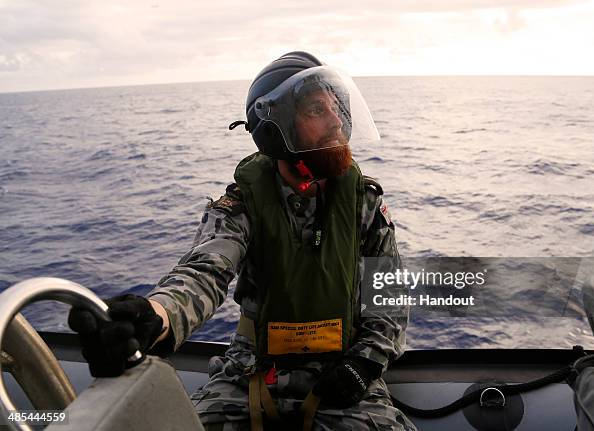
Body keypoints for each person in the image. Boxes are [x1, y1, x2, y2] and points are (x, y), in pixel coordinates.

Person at [68, 51, 415, 431]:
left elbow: (389, 300)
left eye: (337, 107)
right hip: (252, 371)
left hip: (343, 368)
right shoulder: (243, 203)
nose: (336, 121)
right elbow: (204, 271)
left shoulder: (363, 202)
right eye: (318, 110)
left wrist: (363, 365)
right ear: (276, 128)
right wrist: (155, 317)